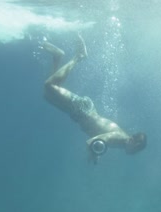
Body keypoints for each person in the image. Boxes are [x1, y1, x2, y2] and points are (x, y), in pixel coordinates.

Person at [42, 35, 147, 164]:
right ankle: (78, 56)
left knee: (48, 96)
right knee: (49, 85)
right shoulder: (119, 137)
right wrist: (93, 153)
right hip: (82, 109)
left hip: (79, 114)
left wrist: (96, 153)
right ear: (132, 140)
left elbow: (98, 138)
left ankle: (56, 57)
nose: (135, 152)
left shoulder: (121, 143)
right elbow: (90, 142)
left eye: (137, 150)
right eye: (136, 148)